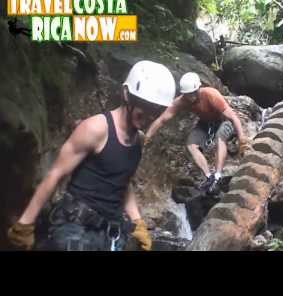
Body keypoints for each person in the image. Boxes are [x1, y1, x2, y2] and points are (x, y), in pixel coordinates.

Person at [7, 60, 176, 251]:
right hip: (75, 229)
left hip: (110, 231)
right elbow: (56, 174)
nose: (150, 115)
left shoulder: (138, 141)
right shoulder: (96, 128)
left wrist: (138, 222)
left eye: (157, 110)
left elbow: (123, 182)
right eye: (145, 106)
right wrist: (25, 224)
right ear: (127, 95)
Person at [145, 72, 249, 194]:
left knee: (220, 138)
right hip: (205, 123)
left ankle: (218, 175)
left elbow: (233, 117)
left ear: (198, 89)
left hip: (224, 121)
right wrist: (147, 137)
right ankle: (208, 176)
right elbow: (161, 119)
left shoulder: (211, 94)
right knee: (191, 145)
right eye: (188, 95)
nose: (191, 97)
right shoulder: (181, 101)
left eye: (193, 93)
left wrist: (241, 138)